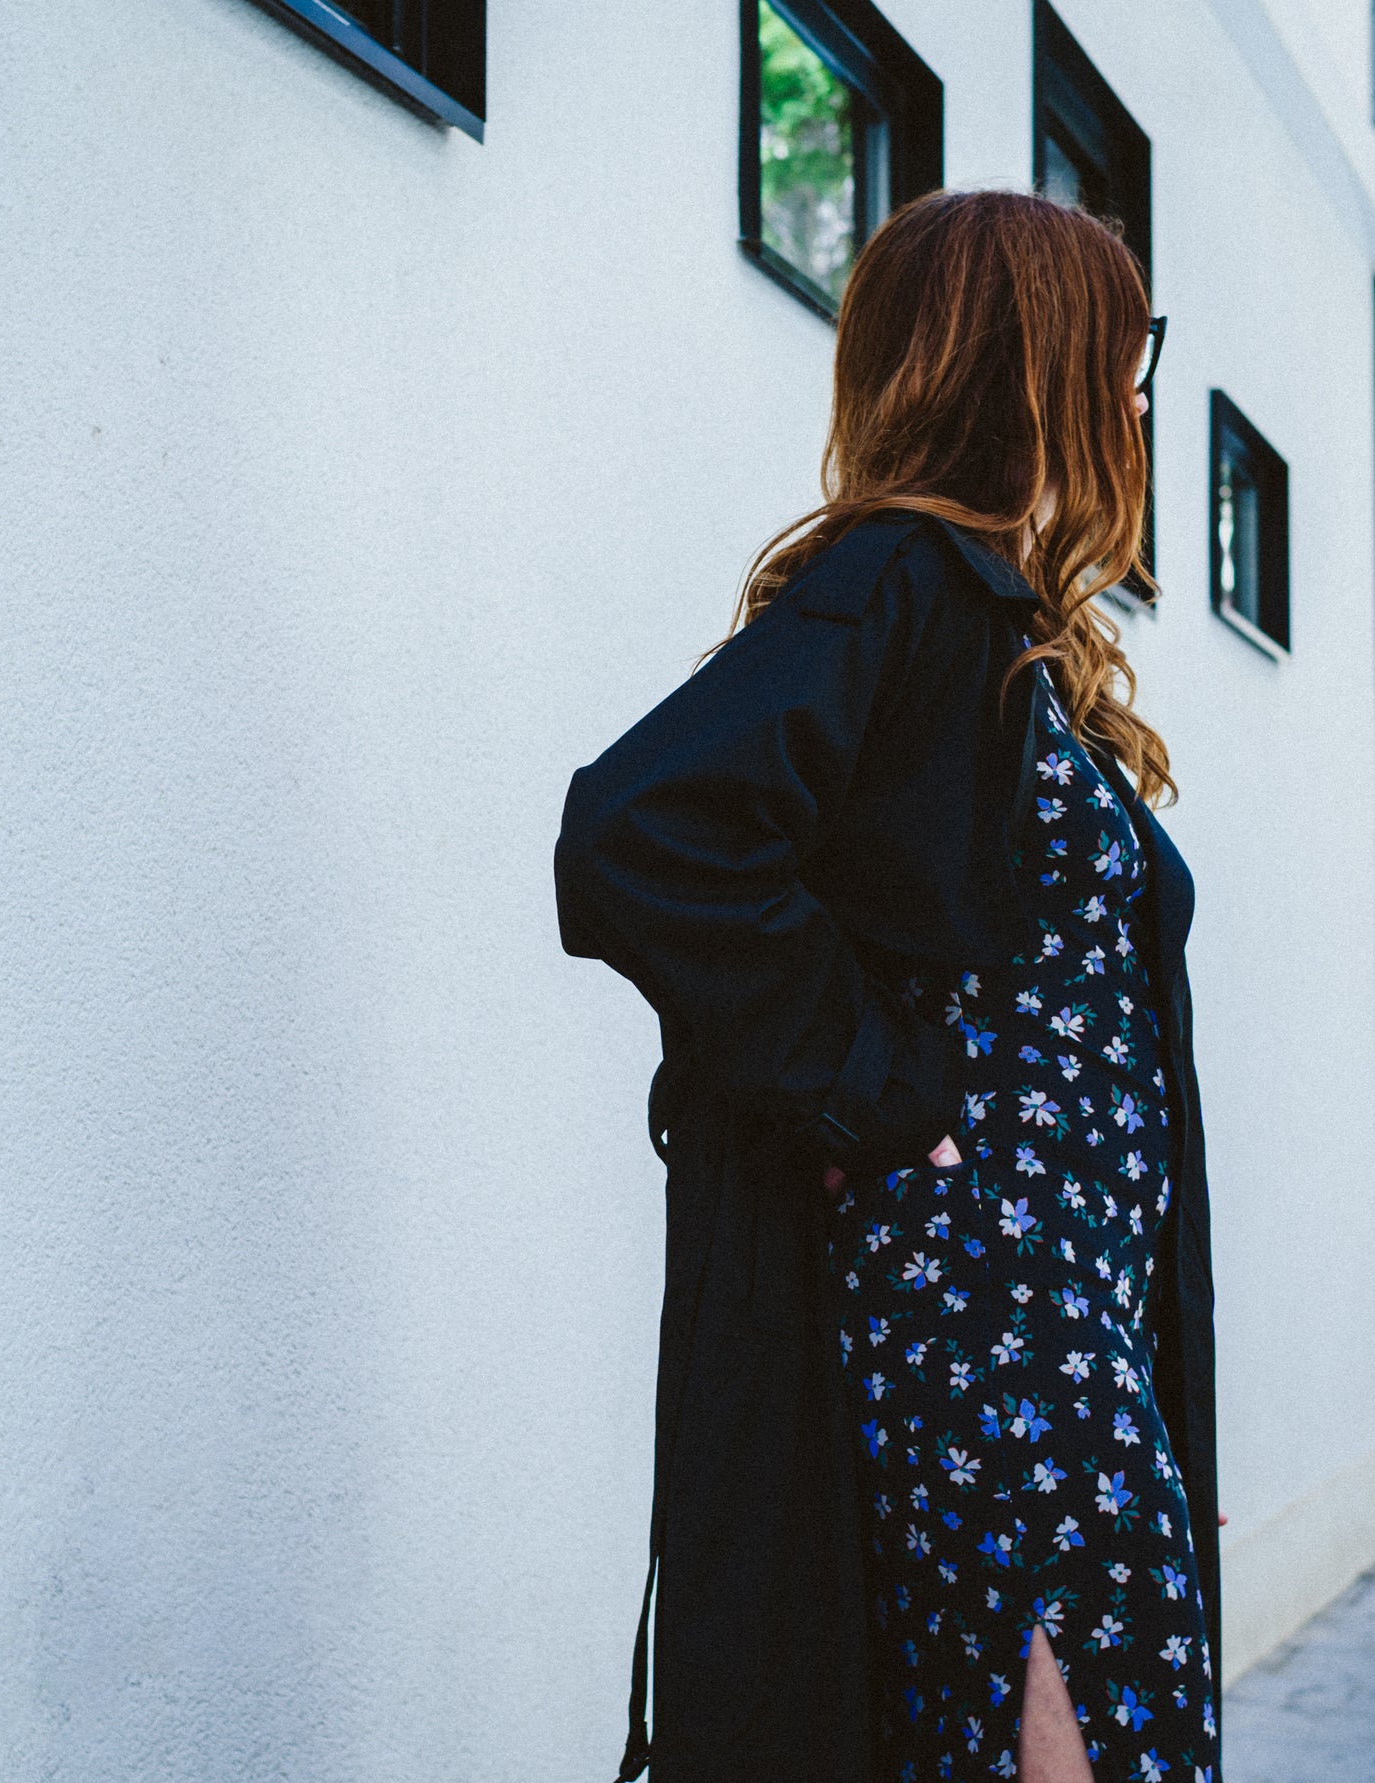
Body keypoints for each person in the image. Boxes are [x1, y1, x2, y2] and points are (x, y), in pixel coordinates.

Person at [554, 189, 1220, 1783]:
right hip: (987, 1307)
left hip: (1061, 1304)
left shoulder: (1004, 629)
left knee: (1018, 1725)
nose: (1137, 387)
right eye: (1121, 349)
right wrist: (879, 1084)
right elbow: (642, 827)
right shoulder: (905, 578)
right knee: (1095, 1707)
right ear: (1033, 358)